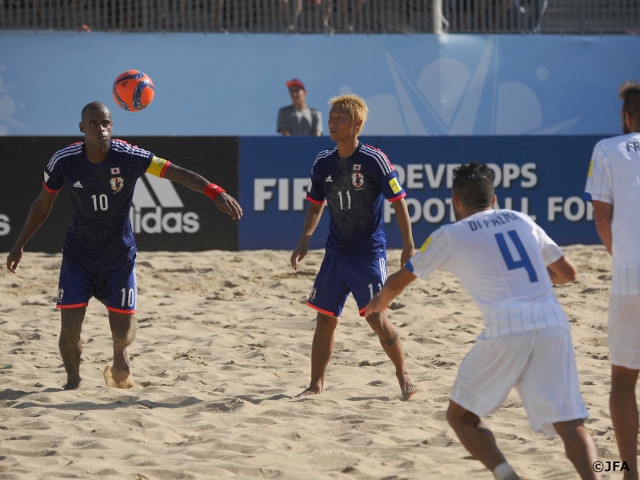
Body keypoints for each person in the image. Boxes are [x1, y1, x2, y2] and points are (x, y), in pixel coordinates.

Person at [366, 162, 601, 480]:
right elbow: (568, 274)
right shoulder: (520, 219)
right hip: (552, 324)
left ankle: (507, 476)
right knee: (570, 424)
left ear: (456, 201)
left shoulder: (450, 234)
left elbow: (397, 282)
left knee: (460, 417)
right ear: (494, 200)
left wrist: (378, 302)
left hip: (507, 329)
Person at [6, 101, 243, 391]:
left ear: (112, 126)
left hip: (119, 256)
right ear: (82, 128)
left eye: (105, 123)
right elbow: (42, 204)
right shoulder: (64, 160)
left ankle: (120, 352)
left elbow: (175, 171)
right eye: (93, 123)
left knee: (122, 331)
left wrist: (214, 191)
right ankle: (72, 383)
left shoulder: (129, 156)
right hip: (78, 257)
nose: (100, 128)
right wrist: (19, 245)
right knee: (69, 331)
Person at [290, 94, 417, 400]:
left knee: (375, 317)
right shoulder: (323, 162)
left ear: (357, 124)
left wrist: (408, 246)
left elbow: (399, 204)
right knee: (324, 319)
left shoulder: (374, 159)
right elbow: (315, 204)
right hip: (335, 254)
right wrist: (304, 239)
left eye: (340, 119)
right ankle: (315, 385)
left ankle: (404, 376)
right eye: (331, 118)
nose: (332, 124)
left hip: (369, 253)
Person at [584, 81, 640, 480]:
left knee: (622, 378)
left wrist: (621, 260)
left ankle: (630, 472)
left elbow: (602, 219)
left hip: (631, 271)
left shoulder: (608, 149)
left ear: (626, 117)